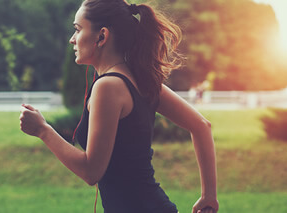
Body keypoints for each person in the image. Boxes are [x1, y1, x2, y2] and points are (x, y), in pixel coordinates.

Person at [19, 0, 218, 212]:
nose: (72, 40)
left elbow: (91, 171)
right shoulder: (141, 79)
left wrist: (43, 130)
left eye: (78, 29)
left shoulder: (108, 87)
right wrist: (209, 196)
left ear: (102, 36)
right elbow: (201, 126)